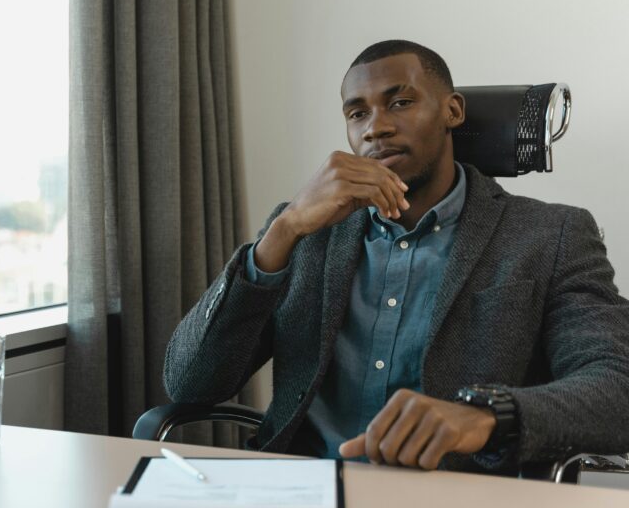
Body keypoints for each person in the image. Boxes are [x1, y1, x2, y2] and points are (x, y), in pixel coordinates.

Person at [163, 40, 629, 473]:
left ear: (453, 110)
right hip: (304, 493)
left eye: (400, 102)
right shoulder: (304, 231)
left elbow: (615, 388)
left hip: (463, 507)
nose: (376, 127)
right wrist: (281, 234)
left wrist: (486, 416)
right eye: (356, 113)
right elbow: (190, 384)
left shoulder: (552, 235)